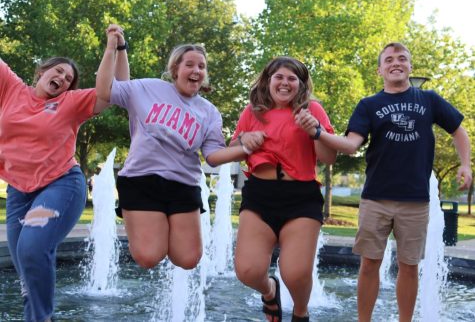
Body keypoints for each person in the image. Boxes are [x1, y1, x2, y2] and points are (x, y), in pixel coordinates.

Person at [316, 42, 472, 322]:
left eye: (402, 58)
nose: (395, 63)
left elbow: (459, 131)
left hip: (415, 201)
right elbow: (351, 145)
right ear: (380, 70)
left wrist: (464, 164)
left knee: (409, 266)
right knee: (368, 264)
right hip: (375, 198)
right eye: (389, 59)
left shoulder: (429, 100)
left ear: (410, 67)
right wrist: (317, 133)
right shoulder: (369, 105)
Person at [1, 25, 129, 322]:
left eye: (68, 79)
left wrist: (115, 48)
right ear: (41, 71)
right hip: (19, 192)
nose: (61, 78)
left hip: (60, 185)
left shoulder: (70, 103)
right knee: (26, 271)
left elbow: (119, 89)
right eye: (57, 71)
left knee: (32, 249)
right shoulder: (11, 89)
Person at [95, 33, 253, 271]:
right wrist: (112, 48)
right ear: (175, 69)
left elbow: (213, 155)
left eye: (201, 66)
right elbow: (106, 89)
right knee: (149, 257)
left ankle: (160, 231)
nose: (196, 70)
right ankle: (149, 234)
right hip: (141, 180)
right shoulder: (148, 88)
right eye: (189, 64)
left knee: (188, 260)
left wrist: (245, 149)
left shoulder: (209, 112)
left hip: (183, 185)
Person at [230, 56, 337, 322]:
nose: (285, 83)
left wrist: (316, 131)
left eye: (292, 78)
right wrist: (244, 139)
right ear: (268, 81)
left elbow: (329, 157)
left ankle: (300, 311)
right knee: (247, 271)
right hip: (259, 195)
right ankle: (269, 290)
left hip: (301, 197)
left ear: (301, 84)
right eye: (279, 77)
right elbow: (233, 150)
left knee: (295, 272)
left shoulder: (312, 109)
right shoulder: (252, 111)